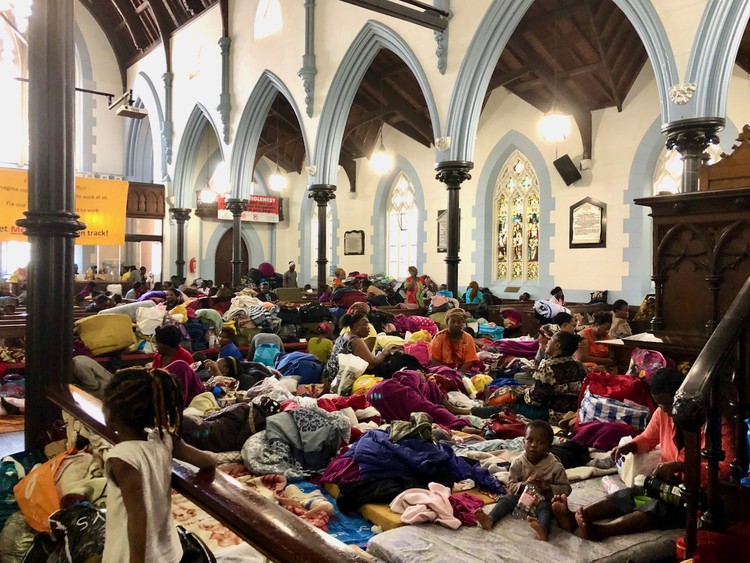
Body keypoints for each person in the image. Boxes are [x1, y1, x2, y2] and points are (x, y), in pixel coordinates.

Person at [551, 368, 734, 541]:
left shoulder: (715, 426)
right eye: (659, 404)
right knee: (629, 495)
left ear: (682, 397)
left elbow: (725, 469)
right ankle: (575, 517)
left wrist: (680, 466)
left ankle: (602, 531)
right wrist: (630, 446)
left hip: (696, 494)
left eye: (667, 403)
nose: (664, 409)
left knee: (657, 507)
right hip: (667, 484)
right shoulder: (663, 414)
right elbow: (648, 438)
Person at [102, 367, 216, 562]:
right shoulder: (164, 440)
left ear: (111, 414)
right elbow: (207, 461)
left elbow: (137, 519)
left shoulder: (122, 458)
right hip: (168, 548)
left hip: (132, 555)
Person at [475, 420, 571, 541]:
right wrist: (524, 484)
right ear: (523, 442)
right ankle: (490, 519)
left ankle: (543, 530)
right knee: (506, 499)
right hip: (521, 500)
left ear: (549, 447)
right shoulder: (518, 462)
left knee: (546, 509)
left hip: (542, 500)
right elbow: (511, 485)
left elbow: (566, 489)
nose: (533, 445)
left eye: (540, 442)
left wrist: (547, 487)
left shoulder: (555, 466)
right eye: (529, 440)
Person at [515, 330, 587, 423]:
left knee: (508, 406)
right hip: (574, 413)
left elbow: (536, 399)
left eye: (551, 340)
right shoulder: (579, 365)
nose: (548, 342)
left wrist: (522, 394)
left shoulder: (548, 365)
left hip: (553, 413)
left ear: (557, 345)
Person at [323, 313, 400, 387]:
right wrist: (386, 351)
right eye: (365, 324)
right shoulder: (355, 340)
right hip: (340, 379)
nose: (369, 327)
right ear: (356, 327)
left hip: (330, 375)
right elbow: (371, 364)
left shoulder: (344, 335)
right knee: (386, 366)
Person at [429, 308, 479, 374]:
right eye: (453, 321)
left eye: (459, 322)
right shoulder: (439, 337)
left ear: (462, 324)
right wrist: (447, 371)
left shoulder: (468, 338)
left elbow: (470, 359)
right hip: (442, 370)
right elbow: (434, 359)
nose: (456, 324)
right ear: (447, 322)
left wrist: (459, 372)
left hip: (463, 370)